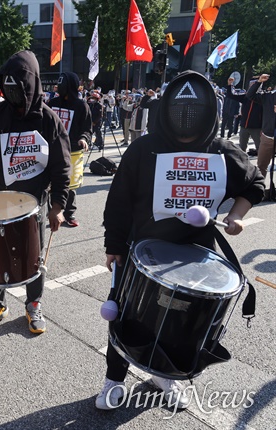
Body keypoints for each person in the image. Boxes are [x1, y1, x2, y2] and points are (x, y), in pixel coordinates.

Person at [97, 70, 264, 411]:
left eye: (195, 109)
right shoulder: (144, 149)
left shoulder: (222, 152)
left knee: (179, 323)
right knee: (126, 316)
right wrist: (113, 245)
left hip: (197, 259)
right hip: (142, 252)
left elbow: (255, 184)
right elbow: (119, 199)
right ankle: (114, 379)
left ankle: (164, 374)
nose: (186, 117)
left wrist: (236, 216)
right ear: (167, 108)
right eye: (179, 108)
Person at [0, 50, 71, 334]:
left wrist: (58, 207)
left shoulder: (49, 121)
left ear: (32, 84)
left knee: (33, 257)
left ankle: (33, 304)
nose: (13, 97)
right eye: (8, 89)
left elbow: (62, 167)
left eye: (18, 90)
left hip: (34, 203)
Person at [48, 72, 92, 227]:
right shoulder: (51, 103)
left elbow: (87, 129)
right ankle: (51, 211)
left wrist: (83, 139)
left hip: (72, 151)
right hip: (51, 150)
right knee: (50, 183)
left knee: (70, 185)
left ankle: (69, 213)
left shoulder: (81, 106)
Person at [245, 74, 275, 178]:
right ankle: (260, 190)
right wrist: (259, 82)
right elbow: (250, 95)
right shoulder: (268, 96)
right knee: (261, 166)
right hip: (268, 137)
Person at [224, 77, 262, 155]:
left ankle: (260, 166)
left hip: (257, 128)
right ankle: (242, 164)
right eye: (251, 85)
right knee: (241, 149)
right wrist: (229, 85)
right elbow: (231, 95)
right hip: (244, 126)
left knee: (260, 148)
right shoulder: (245, 96)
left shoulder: (262, 97)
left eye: (254, 85)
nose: (252, 87)